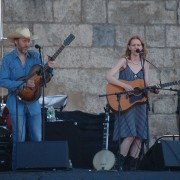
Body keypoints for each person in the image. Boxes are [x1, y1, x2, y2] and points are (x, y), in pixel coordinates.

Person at [0, 27, 55, 170]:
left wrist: (50, 69)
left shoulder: (35, 57)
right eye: (24, 41)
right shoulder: (8, 59)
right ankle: (17, 170)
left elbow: (44, 79)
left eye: (28, 41)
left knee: (37, 137)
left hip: (33, 103)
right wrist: (22, 83)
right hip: (15, 102)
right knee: (20, 138)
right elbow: (3, 80)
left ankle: (37, 168)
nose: (27, 44)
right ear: (16, 42)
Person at [106, 36, 159, 171]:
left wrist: (154, 88)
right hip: (126, 103)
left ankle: (132, 168)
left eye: (139, 45)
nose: (137, 47)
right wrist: (124, 85)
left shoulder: (144, 64)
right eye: (134, 45)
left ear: (142, 47)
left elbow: (145, 84)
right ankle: (119, 166)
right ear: (129, 47)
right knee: (129, 135)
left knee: (139, 138)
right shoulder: (124, 61)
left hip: (140, 103)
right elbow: (109, 76)